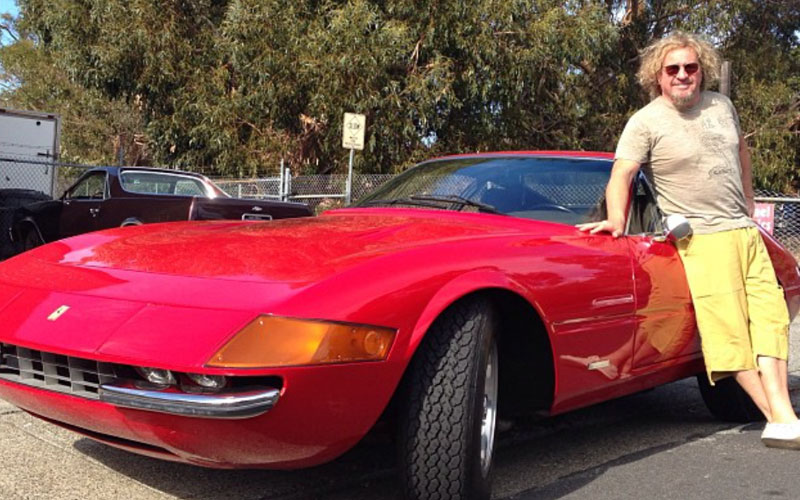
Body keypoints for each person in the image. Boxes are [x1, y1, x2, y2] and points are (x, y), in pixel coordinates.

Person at [577, 31, 799, 448]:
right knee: (728, 336)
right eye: (673, 69)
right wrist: (615, 220)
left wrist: (749, 200)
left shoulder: (722, 105)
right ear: (657, 76)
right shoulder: (646, 121)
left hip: (744, 232)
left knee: (771, 322)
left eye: (691, 67)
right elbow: (622, 173)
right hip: (703, 240)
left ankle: (783, 419)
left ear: (702, 71)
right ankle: (782, 418)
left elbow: (741, 153)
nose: (683, 75)